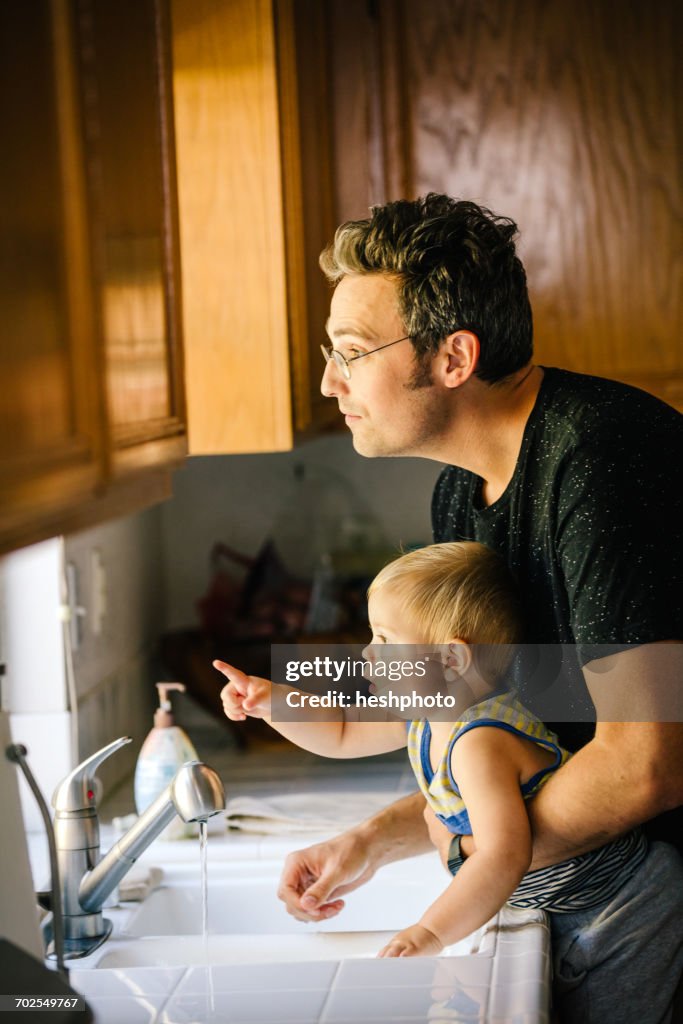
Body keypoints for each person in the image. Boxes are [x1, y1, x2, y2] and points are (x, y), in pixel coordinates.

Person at [275, 194, 683, 1021]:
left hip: (653, 915)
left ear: (453, 357)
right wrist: (376, 840)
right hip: (590, 892)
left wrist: (470, 850)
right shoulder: (461, 495)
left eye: (351, 351)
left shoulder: (598, 461)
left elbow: (644, 765)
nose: (329, 380)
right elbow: (492, 728)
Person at [214, 543, 682, 1002]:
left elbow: (502, 855)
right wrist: (272, 702)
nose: (366, 654)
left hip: (621, 909)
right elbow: (339, 729)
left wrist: (429, 933)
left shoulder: (480, 744)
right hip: (568, 902)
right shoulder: (423, 716)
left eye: (385, 639)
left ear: (451, 660)